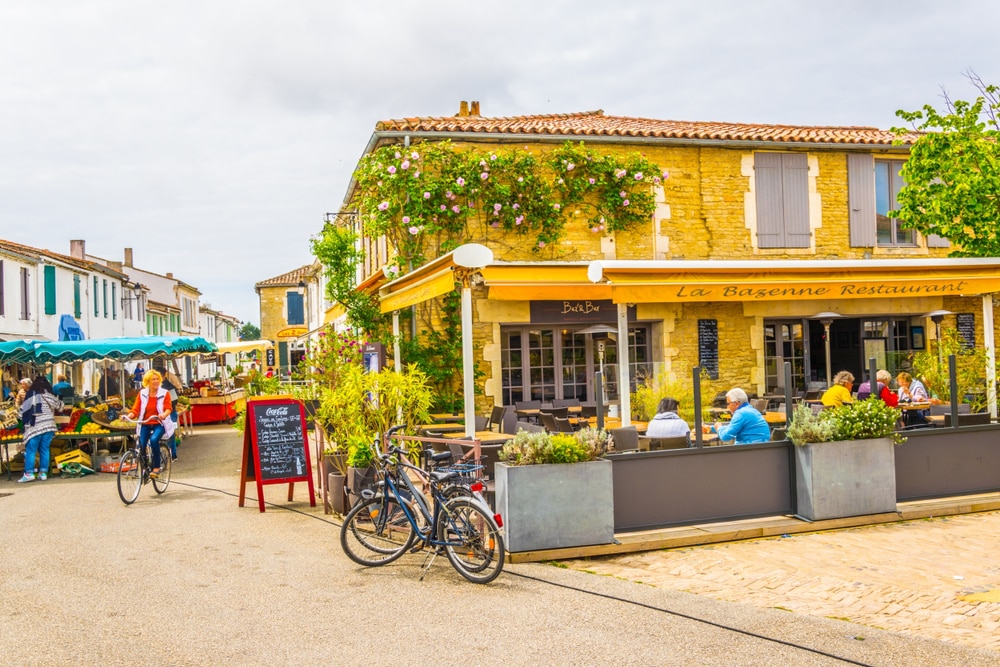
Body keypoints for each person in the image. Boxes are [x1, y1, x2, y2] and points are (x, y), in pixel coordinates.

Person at [124, 369, 172, 478]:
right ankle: (145, 468)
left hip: (159, 423)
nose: (155, 381)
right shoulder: (142, 393)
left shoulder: (165, 393)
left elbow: (169, 408)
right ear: (147, 382)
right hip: (145, 423)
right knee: (142, 444)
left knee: (154, 440)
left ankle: (156, 467)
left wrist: (163, 415)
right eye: (152, 379)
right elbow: (135, 409)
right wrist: (128, 416)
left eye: (157, 379)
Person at [18, 376, 64, 483]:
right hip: (48, 426)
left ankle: (29, 473)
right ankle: (43, 473)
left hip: (34, 428)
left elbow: (21, 414)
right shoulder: (48, 396)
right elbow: (60, 407)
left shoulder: (30, 396)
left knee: (31, 450)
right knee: (44, 449)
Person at [706, 387, 771, 445]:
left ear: (736, 403)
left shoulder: (741, 413)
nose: (727, 407)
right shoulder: (750, 410)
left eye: (728, 403)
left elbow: (725, 437)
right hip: (758, 450)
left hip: (748, 452)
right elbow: (732, 428)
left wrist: (719, 427)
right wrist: (710, 428)